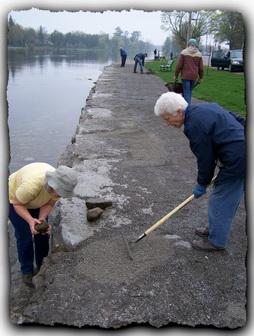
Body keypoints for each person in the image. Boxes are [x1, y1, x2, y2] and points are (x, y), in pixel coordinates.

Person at [154, 92, 246, 252]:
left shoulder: (193, 126)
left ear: (179, 112)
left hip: (239, 160)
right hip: (242, 155)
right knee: (227, 197)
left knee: (220, 199)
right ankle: (216, 228)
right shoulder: (205, 108)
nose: (167, 124)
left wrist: (202, 184)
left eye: (167, 119)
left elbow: (205, 159)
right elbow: (236, 117)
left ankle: (216, 241)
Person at [8, 162, 78, 287]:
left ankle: (42, 265)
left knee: (42, 232)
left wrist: (41, 219)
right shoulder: (31, 186)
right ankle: (27, 271)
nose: (61, 195)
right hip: (14, 200)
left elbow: (48, 204)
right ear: (52, 184)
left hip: (34, 199)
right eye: (60, 191)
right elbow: (18, 204)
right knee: (25, 236)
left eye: (64, 192)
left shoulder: (60, 188)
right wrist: (30, 221)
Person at [174, 38, 204, 104]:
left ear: (188, 44)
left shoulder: (184, 52)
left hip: (185, 76)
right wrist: (200, 77)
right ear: (195, 45)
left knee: (187, 91)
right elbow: (201, 67)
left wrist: (176, 75)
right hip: (194, 76)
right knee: (189, 91)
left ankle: (188, 108)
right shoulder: (199, 54)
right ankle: (184, 105)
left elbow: (179, 65)